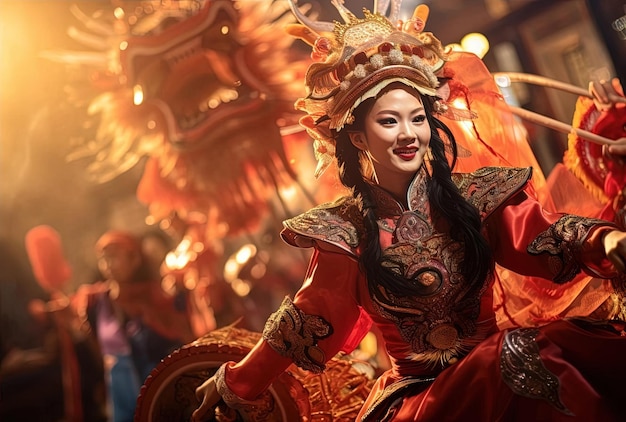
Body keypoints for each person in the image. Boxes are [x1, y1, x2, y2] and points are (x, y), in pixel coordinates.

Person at [193, 2, 626, 421]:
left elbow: (540, 234)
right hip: (419, 400)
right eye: (389, 122)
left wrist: (603, 239)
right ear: (358, 138)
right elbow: (310, 316)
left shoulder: (476, 197)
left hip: (509, 370)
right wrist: (239, 381)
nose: (409, 135)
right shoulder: (344, 233)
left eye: (417, 119)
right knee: (513, 361)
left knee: (530, 361)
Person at [74, 230, 196, 422]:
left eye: (115, 257)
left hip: (158, 389)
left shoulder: (156, 298)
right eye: (104, 259)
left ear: (134, 260)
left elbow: (180, 337)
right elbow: (95, 346)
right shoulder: (95, 302)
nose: (108, 265)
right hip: (119, 391)